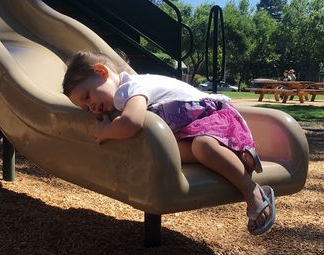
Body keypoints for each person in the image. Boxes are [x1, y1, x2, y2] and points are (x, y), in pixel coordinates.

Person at [62, 51, 276, 235]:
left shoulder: (129, 89)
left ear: (102, 72)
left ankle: (254, 191)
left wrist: (105, 131)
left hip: (211, 120)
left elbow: (131, 123)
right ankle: (233, 156)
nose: (92, 108)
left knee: (204, 147)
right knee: (168, 152)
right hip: (190, 132)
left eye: (87, 97)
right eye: (85, 108)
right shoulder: (120, 95)